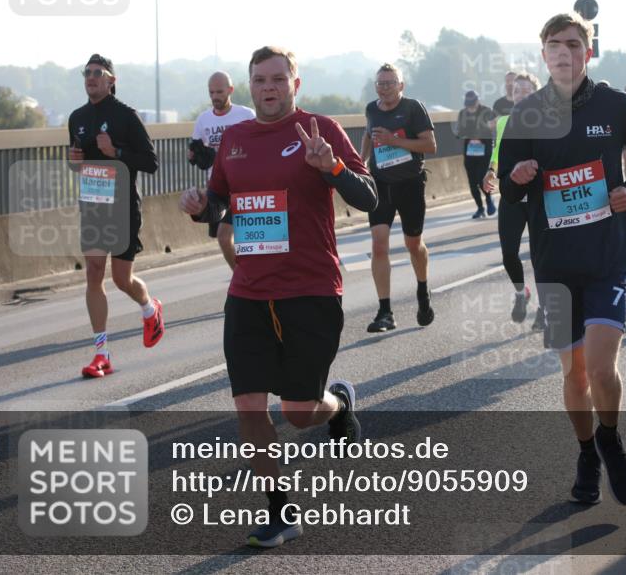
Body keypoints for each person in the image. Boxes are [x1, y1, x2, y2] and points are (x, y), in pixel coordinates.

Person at [179, 46, 377, 548]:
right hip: (248, 291)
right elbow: (222, 200)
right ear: (251, 87)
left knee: (297, 411)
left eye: (277, 79)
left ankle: (337, 404)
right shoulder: (236, 139)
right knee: (249, 408)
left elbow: (368, 197)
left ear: (295, 83)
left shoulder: (320, 129)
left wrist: (331, 168)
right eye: (259, 80)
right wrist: (203, 206)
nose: (268, 88)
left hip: (310, 288)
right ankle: (280, 510)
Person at [498, 12, 626, 507]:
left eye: (572, 44)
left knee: (603, 370)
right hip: (555, 265)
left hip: (606, 256)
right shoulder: (526, 115)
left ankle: (609, 438)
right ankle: (587, 452)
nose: (563, 52)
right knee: (575, 375)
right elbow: (505, 184)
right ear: (543, 55)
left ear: (588, 52)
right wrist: (519, 174)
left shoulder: (615, 104)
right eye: (553, 45)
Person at [67, 54, 164, 379]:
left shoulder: (126, 116)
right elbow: (77, 162)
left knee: (122, 279)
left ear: (111, 81)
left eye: (98, 73)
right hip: (93, 206)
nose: (91, 77)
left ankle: (150, 308)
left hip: (123, 209)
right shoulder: (77, 117)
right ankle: (101, 353)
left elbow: (151, 162)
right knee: (94, 273)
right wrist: (75, 161)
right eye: (87, 73)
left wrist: (117, 153)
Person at [360, 64, 438, 333]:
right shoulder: (371, 109)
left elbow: (430, 145)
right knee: (379, 245)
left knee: (413, 244)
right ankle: (385, 311)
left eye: (390, 83)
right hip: (381, 185)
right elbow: (368, 135)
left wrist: (395, 141)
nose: (385, 88)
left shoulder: (413, 108)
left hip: (410, 184)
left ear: (401, 85)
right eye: (380, 83)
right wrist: (362, 162)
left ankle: (423, 292)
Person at [482, 73, 545, 328]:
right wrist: (490, 171)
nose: (520, 94)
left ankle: (545, 308)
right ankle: (521, 293)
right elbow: (498, 153)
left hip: (539, 198)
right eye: (516, 90)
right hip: (512, 195)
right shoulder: (503, 122)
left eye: (526, 90)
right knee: (509, 253)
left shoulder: (546, 121)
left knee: (541, 257)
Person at [190, 71, 256, 269]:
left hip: (244, 185)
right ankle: (242, 278)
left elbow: (258, 147)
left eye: (219, 92)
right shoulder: (203, 120)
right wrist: (194, 156)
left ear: (230, 90)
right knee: (223, 238)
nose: (215, 97)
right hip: (218, 187)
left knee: (233, 237)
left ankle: (245, 279)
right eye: (211, 92)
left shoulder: (246, 115)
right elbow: (196, 153)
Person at [457, 90, 496, 218]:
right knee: (472, 182)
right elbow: (459, 130)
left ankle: (489, 200)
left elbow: (492, 127)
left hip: (484, 150)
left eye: (472, 104)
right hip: (470, 151)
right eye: (468, 104)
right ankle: (480, 208)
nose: (470, 107)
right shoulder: (463, 113)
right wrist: (464, 133)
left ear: (477, 100)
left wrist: (479, 130)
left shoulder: (487, 111)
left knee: (481, 178)